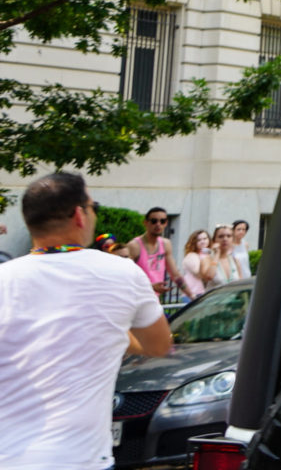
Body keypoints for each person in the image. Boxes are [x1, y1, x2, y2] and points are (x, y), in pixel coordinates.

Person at [0, 172, 171, 470]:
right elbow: (157, 344)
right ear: (79, 215)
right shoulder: (122, 273)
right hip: (82, 460)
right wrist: (106, 328)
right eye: (93, 206)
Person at [126, 206, 187, 299]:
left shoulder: (165, 244)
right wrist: (151, 287)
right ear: (145, 223)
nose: (158, 224)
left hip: (154, 299)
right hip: (136, 298)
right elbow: (126, 277)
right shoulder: (134, 246)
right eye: (154, 221)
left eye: (162, 221)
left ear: (166, 223)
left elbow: (175, 274)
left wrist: (192, 295)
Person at [180, 229, 212, 298]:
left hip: (203, 292)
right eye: (199, 240)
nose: (202, 242)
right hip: (194, 293)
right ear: (194, 242)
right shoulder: (192, 256)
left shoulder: (207, 254)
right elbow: (199, 274)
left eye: (205, 238)